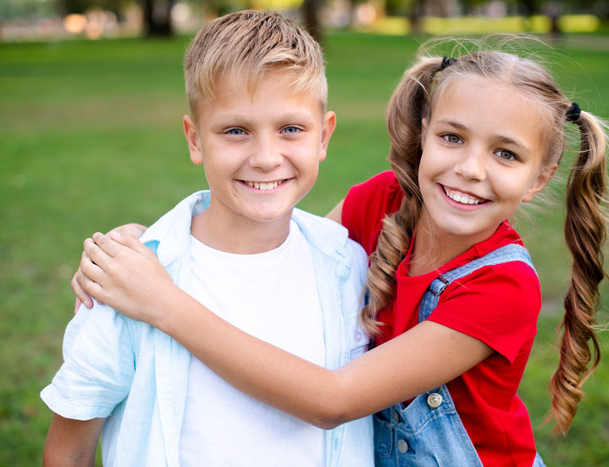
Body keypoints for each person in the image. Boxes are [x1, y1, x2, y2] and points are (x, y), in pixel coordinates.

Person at [74, 47, 609, 466]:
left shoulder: (503, 288)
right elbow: (286, 244)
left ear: (540, 177)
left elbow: (332, 400)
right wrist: (152, 245)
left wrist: (162, 301)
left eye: (505, 153)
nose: (471, 169)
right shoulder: (385, 198)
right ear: (424, 135)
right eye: (453, 138)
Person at [41, 10, 375, 466]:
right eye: (235, 131)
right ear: (195, 139)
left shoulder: (347, 266)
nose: (265, 157)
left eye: (291, 129)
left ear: (324, 135)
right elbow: (69, 449)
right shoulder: (129, 276)